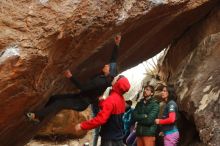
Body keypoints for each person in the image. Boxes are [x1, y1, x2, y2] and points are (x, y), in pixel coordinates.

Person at [26, 34, 121, 124]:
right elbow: (113, 60)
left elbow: (83, 87)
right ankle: (40, 118)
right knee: (54, 98)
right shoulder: (107, 76)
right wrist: (117, 44)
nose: (105, 65)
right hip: (79, 97)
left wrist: (70, 77)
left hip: (81, 102)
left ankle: (35, 115)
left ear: (109, 71)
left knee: (59, 103)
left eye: (107, 66)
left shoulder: (100, 81)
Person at [75, 76, 131, 146]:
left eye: (116, 78)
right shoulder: (122, 100)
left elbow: (101, 119)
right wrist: (102, 101)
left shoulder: (111, 100)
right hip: (118, 137)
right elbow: (111, 109)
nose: (114, 78)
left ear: (117, 83)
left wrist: (82, 126)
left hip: (109, 139)